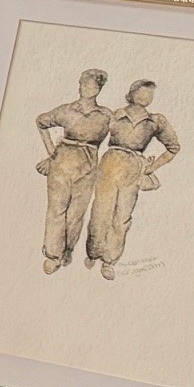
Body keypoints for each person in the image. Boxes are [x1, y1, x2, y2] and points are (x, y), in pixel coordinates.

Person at [87, 81, 181, 280]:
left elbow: (173, 147)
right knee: (100, 211)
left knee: (122, 217)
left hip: (133, 169)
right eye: (142, 91)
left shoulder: (156, 121)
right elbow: (93, 139)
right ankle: (93, 252)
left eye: (150, 93)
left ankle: (109, 261)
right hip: (110, 164)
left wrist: (151, 167)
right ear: (131, 93)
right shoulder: (114, 115)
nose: (146, 96)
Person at [35, 69, 112, 275]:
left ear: (98, 89)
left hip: (88, 168)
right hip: (62, 165)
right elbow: (41, 122)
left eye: (90, 84)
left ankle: (67, 249)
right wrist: (51, 152)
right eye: (82, 83)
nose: (84, 88)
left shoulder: (106, 115)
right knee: (56, 210)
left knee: (76, 213)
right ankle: (52, 255)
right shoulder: (67, 110)